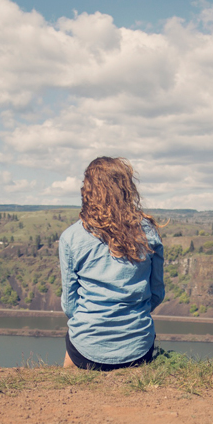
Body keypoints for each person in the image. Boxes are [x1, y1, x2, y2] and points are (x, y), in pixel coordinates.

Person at [59, 157, 164, 370]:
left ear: (87, 191)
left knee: (69, 367)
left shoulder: (71, 237)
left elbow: (70, 306)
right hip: (138, 348)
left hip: (86, 349)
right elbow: (156, 294)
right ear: (127, 189)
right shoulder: (149, 232)